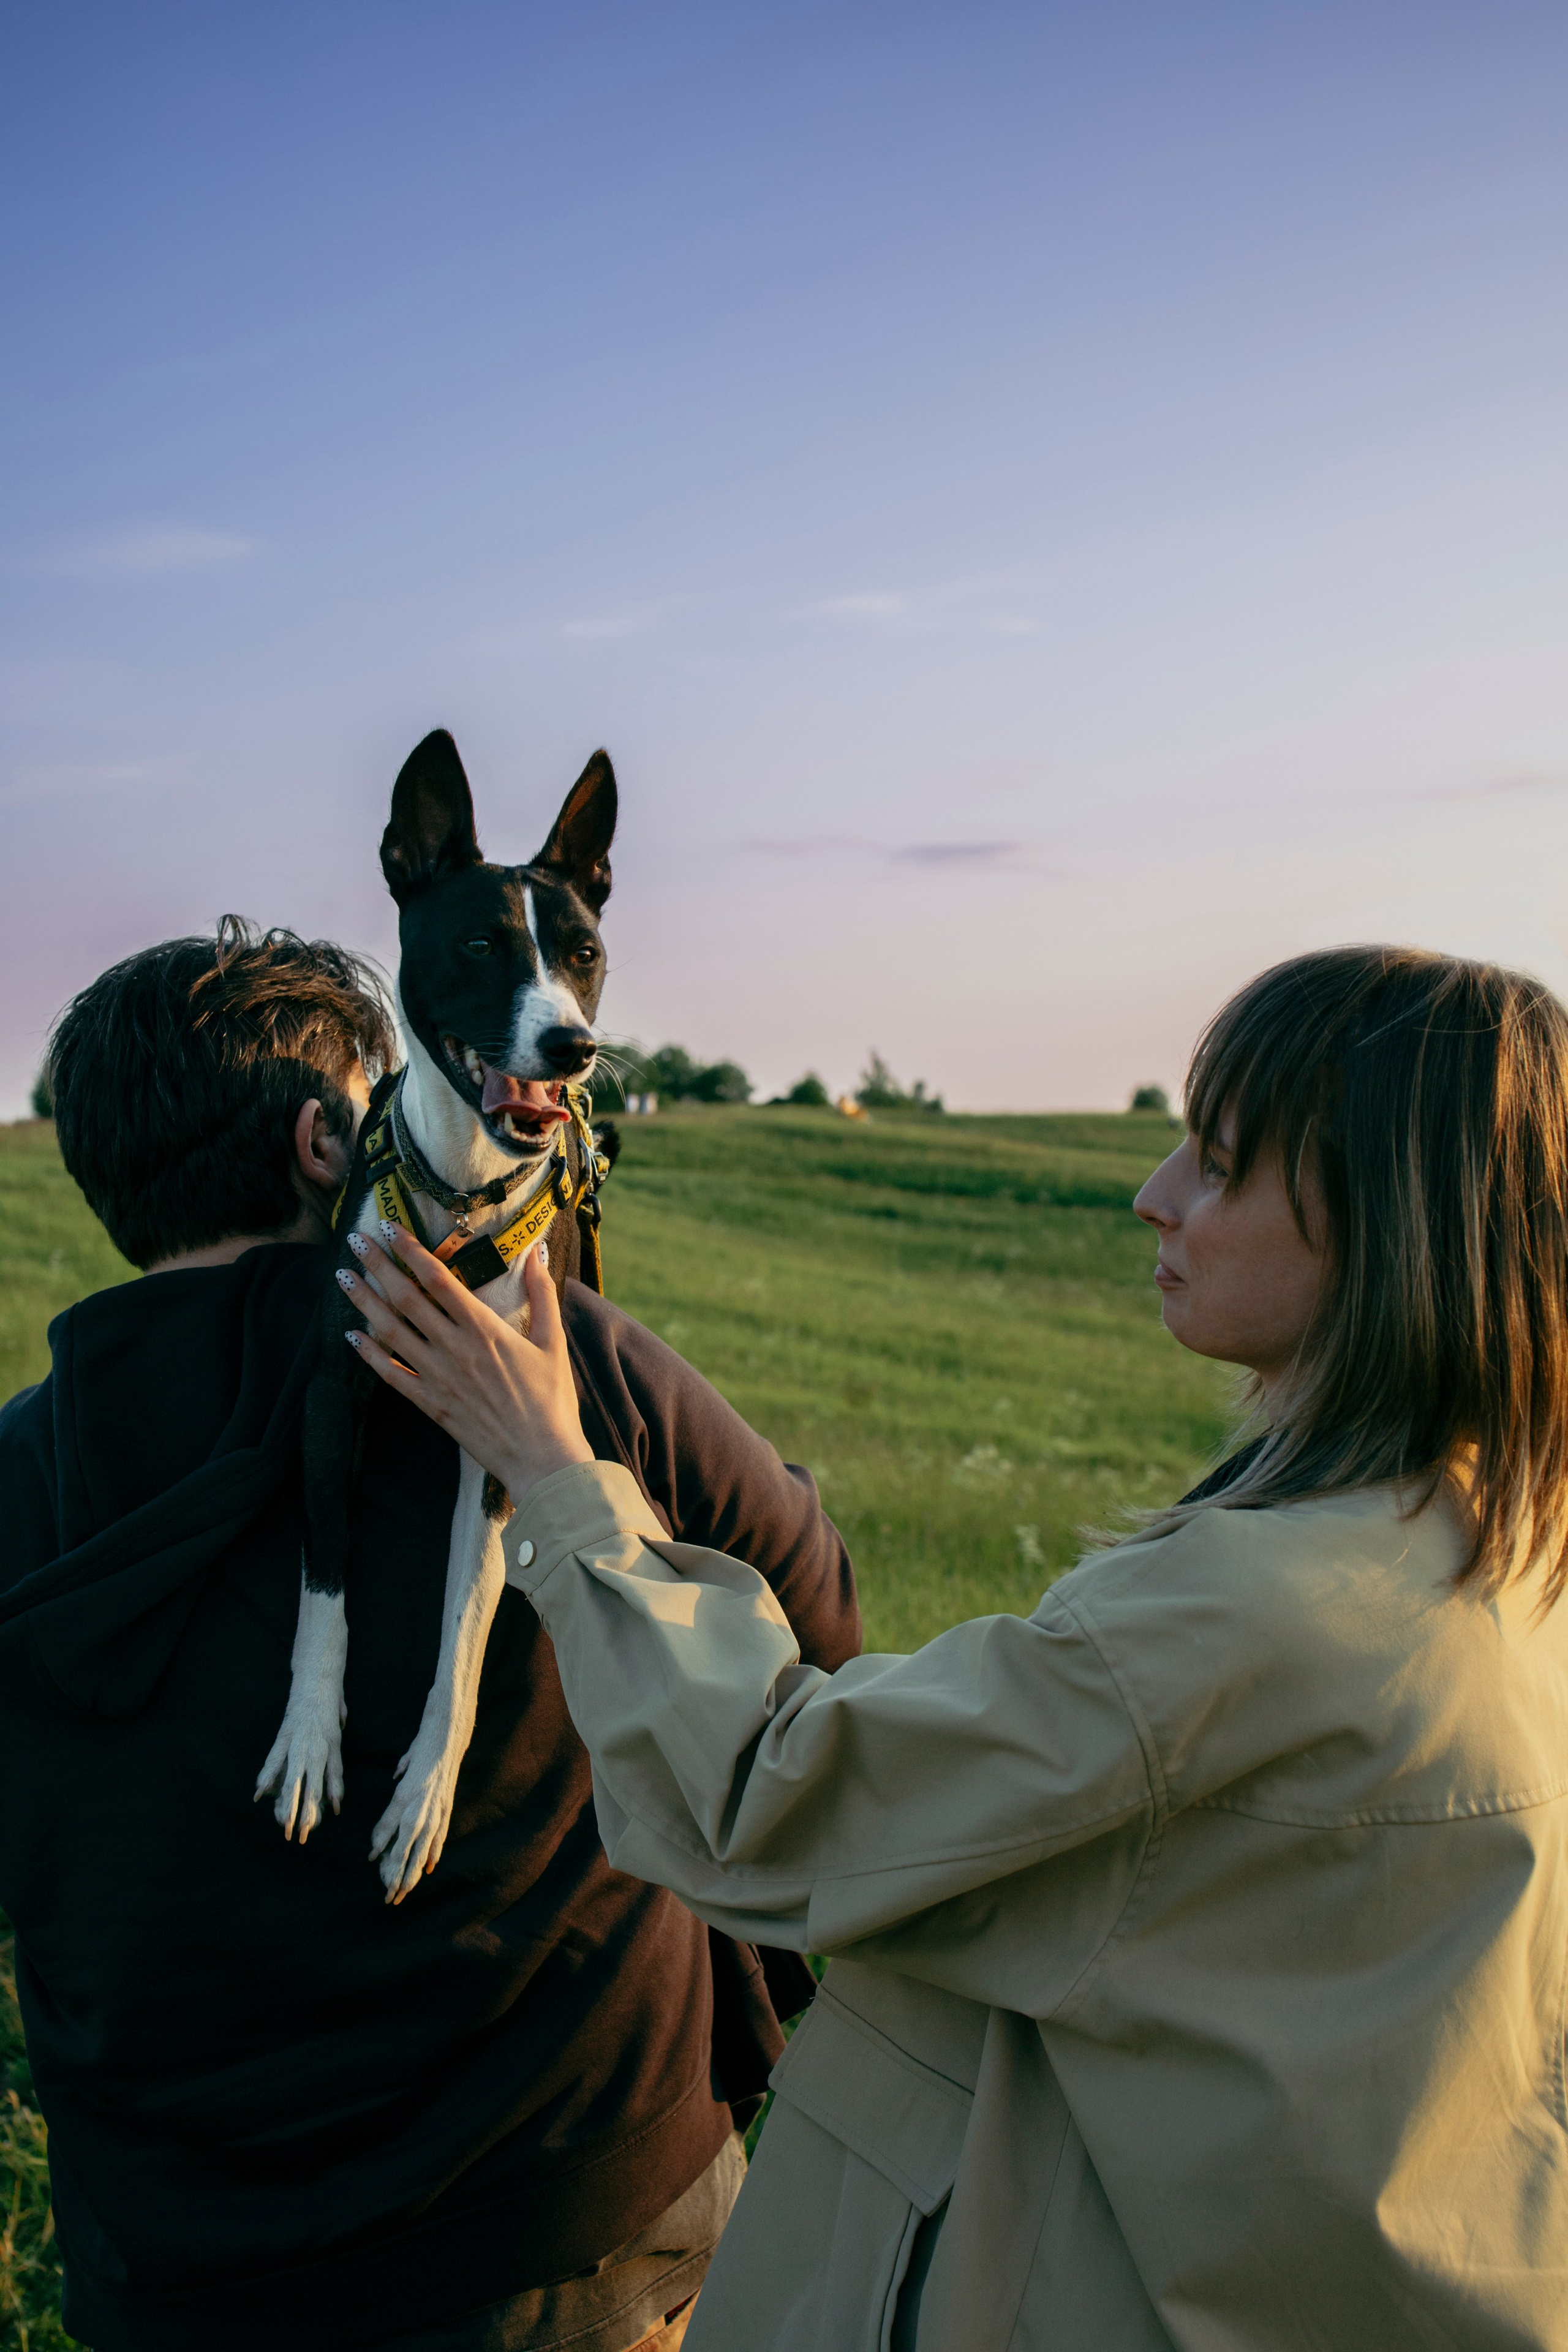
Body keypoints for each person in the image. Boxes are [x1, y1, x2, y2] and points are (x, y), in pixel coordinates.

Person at [346, 944, 1568, 2351]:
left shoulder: (1248, 1613)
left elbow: (768, 1800)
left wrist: (556, 1477)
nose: (1154, 1192)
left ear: (1388, 1228)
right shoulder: (1510, 1552)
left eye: (1222, 1166)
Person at [0, 918, 861, 2352]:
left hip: (189, 2273)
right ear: (325, 1146)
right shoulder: (555, 1369)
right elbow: (816, 1623)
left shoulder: (21, 1471)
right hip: (573, 2217)